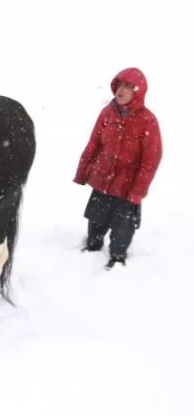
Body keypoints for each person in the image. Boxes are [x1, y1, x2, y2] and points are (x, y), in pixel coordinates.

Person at [74, 68, 162, 269]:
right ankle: (92, 247)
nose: (121, 90)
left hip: (127, 186)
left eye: (128, 87)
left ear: (138, 92)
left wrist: (137, 190)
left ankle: (117, 258)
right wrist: (82, 172)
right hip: (102, 180)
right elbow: (94, 144)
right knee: (95, 220)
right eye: (120, 85)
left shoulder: (148, 121)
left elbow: (151, 160)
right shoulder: (107, 113)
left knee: (123, 227)